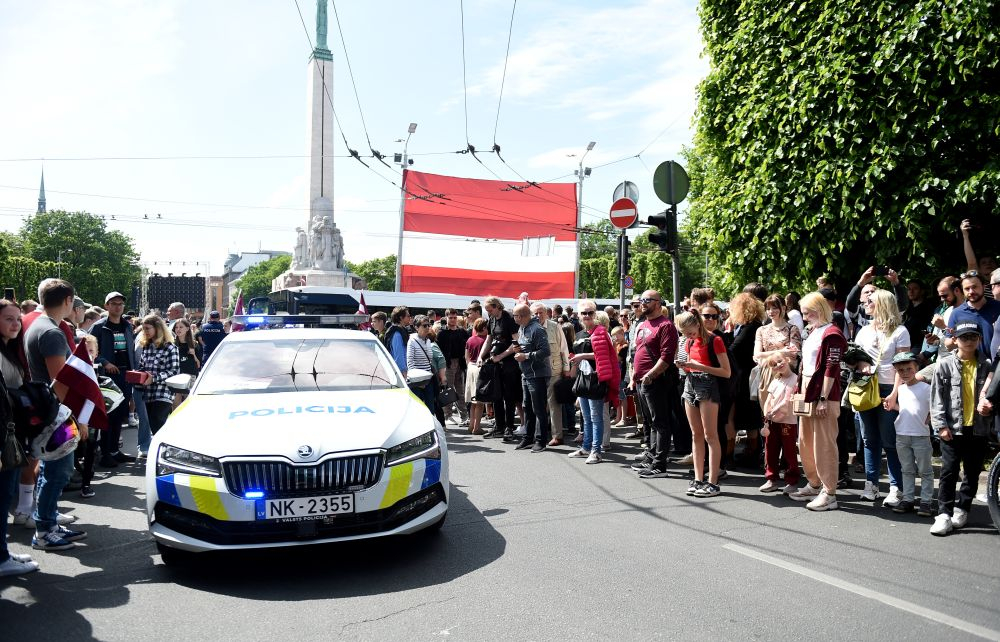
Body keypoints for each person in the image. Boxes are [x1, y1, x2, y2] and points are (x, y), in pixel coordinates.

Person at [23, 279, 88, 551]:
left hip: (48, 411)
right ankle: (45, 528)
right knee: (59, 470)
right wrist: (75, 417)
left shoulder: (43, 326)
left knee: (54, 468)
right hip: (54, 415)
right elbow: (60, 380)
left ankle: (46, 521)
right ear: (68, 300)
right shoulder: (51, 331)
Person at [929, 322, 992, 536]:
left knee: (972, 471)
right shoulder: (944, 365)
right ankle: (943, 513)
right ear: (955, 340)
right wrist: (940, 426)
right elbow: (936, 398)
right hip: (952, 428)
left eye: (974, 337)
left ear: (980, 339)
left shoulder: (987, 365)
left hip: (978, 428)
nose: (969, 341)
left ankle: (962, 508)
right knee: (948, 471)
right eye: (965, 337)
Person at [787, 292, 848, 511]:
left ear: (819, 310)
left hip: (824, 393)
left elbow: (832, 367)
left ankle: (829, 492)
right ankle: (814, 483)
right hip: (808, 390)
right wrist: (798, 388)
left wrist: (823, 398)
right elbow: (807, 364)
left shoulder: (832, 333)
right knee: (804, 441)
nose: (803, 317)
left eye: (807, 313)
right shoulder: (813, 331)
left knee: (824, 444)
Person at [854, 289, 910, 506]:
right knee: (869, 439)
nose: (866, 303)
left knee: (890, 440)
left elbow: (902, 366)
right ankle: (872, 484)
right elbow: (856, 358)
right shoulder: (863, 331)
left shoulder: (900, 331)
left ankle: (896, 488)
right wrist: (861, 364)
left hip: (889, 389)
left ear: (883, 304)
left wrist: (895, 394)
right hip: (867, 388)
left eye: (871, 301)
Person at [674, 309, 730, 497]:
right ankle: (698, 479)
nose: (688, 336)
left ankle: (713, 481)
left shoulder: (715, 340)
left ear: (698, 324)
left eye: (690, 332)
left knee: (710, 435)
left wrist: (697, 366)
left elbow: (726, 372)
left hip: (708, 385)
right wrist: (685, 365)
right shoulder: (689, 341)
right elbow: (692, 364)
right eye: (684, 334)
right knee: (696, 434)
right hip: (690, 383)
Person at [0, 310, 39, 574]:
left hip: (10, 432)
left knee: (4, 496)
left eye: (17, 318)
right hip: (3, 435)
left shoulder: (9, 349)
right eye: (8, 319)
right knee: (2, 496)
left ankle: (2, 551)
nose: (15, 323)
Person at [630, 290, 683, 478]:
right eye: (641, 300)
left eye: (647, 300)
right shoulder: (643, 324)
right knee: (651, 422)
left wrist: (650, 375)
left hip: (656, 380)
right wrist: (634, 377)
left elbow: (667, 357)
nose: (642, 303)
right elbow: (637, 352)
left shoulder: (666, 326)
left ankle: (660, 464)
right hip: (641, 381)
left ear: (658, 303)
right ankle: (651, 457)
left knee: (661, 422)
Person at [89, 291, 140, 464]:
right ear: (107, 306)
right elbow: (89, 352)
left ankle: (114, 450)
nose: (118, 306)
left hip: (125, 376)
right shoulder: (98, 327)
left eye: (120, 304)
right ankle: (105, 454)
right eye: (114, 303)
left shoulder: (127, 326)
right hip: (107, 378)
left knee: (119, 415)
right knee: (107, 415)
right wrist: (105, 362)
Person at [567, 300, 619, 463]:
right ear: (579, 315)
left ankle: (596, 451)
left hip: (597, 378)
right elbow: (577, 357)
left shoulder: (601, 332)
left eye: (590, 313)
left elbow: (605, 356)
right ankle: (586, 447)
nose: (587, 316)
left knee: (596, 417)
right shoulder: (581, 334)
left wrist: (583, 356)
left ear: (595, 314)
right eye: (584, 313)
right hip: (584, 378)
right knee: (586, 417)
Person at [889, 352, 934, 517]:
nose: (905, 373)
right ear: (897, 372)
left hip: (920, 435)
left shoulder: (927, 388)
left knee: (925, 470)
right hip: (902, 434)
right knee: (907, 469)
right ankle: (908, 499)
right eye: (901, 370)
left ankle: (926, 501)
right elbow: (905, 409)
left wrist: (929, 418)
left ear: (916, 368)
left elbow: (933, 407)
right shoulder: (900, 389)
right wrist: (891, 406)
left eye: (909, 369)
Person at [477, 296, 522, 441]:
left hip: (509, 363)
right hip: (496, 362)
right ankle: (499, 426)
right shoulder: (492, 319)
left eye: (490, 310)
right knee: (496, 395)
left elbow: (517, 342)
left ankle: (509, 427)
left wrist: (501, 356)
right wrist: (480, 356)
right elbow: (489, 339)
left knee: (509, 396)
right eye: (487, 311)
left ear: (497, 306)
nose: (489, 313)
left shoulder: (509, 318)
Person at [511, 304, 551, 452]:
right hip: (526, 374)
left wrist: (525, 356)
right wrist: (518, 350)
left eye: (515, 315)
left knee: (538, 408)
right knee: (527, 406)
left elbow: (546, 351)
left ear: (521, 316)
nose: (514, 318)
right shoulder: (523, 328)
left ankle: (541, 440)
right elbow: (527, 347)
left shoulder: (537, 329)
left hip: (538, 374)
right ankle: (528, 438)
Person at [759, 352, 800, 493]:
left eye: (779, 361)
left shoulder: (795, 379)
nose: (778, 365)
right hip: (772, 421)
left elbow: (786, 401)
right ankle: (771, 479)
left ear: (787, 359)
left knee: (789, 452)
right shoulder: (775, 381)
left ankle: (792, 481)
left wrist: (772, 411)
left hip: (788, 421)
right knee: (770, 450)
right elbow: (769, 399)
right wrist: (766, 413)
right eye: (774, 365)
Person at [531, 302, 571, 445]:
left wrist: (566, 368)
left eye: (540, 312)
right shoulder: (529, 328)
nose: (538, 315)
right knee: (537, 404)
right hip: (535, 372)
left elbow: (564, 349)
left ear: (546, 313)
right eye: (535, 313)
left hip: (554, 370)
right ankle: (539, 434)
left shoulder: (555, 327)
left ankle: (557, 436)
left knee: (554, 404)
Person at [134, 315, 180, 436]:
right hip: (148, 392)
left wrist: (154, 378)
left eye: (147, 328)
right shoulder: (146, 346)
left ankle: (167, 449)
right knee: (154, 426)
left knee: (157, 420)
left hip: (163, 392)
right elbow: (143, 367)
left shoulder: (170, 348)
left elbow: (174, 371)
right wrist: (137, 375)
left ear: (157, 328)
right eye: (143, 328)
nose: (145, 331)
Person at [948, 271, 1000, 358]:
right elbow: (949, 344)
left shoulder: (998, 307)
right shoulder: (956, 313)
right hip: (972, 367)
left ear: (983, 287)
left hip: (997, 364)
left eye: (974, 287)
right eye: (967, 289)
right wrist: (954, 339)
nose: (971, 291)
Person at [437, 309, 470, 425]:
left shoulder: (462, 332)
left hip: (460, 363)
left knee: (460, 390)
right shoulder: (441, 333)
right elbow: (439, 351)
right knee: (448, 390)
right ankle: (447, 415)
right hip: (448, 364)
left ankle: (464, 415)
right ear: (446, 318)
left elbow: (467, 347)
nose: (453, 320)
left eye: (455, 317)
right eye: (451, 317)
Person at [464, 318, 488, 435]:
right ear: (483, 328)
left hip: (470, 368)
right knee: (479, 400)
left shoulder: (470, 339)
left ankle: (471, 425)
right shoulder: (485, 340)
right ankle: (477, 427)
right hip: (480, 368)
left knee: (473, 400)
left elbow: (466, 357)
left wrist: (469, 365)